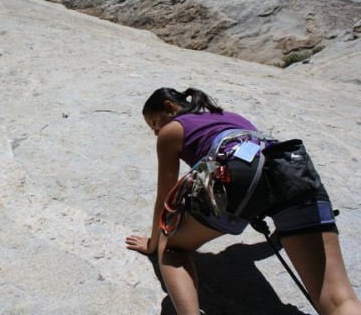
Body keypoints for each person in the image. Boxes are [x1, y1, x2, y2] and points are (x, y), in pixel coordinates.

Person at [125, 87, 361, 315]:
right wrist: (282, 236)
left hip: (239, 178)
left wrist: (153, 244)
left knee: (171, 244)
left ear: (169, 106)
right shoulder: (230, 115)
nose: (156, 133)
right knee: (339, 301)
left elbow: (166, 199)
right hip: (294, 171)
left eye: (155, 125)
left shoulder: (173, 130)